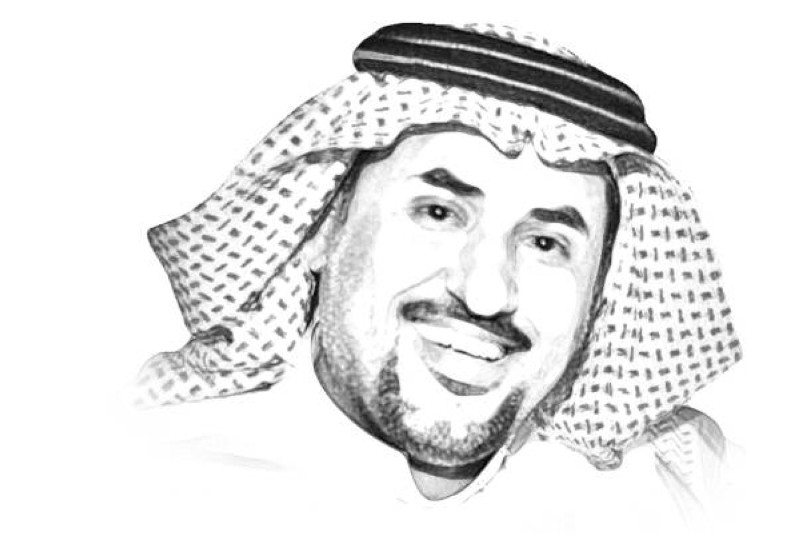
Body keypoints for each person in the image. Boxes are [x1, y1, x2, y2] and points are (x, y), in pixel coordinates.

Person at [134, 22, 741, 525]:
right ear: (321, 226)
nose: (485, 294)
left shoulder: (689, 492)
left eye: (546, 243)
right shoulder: (141, 479)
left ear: (600, 294)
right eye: (438, 213)